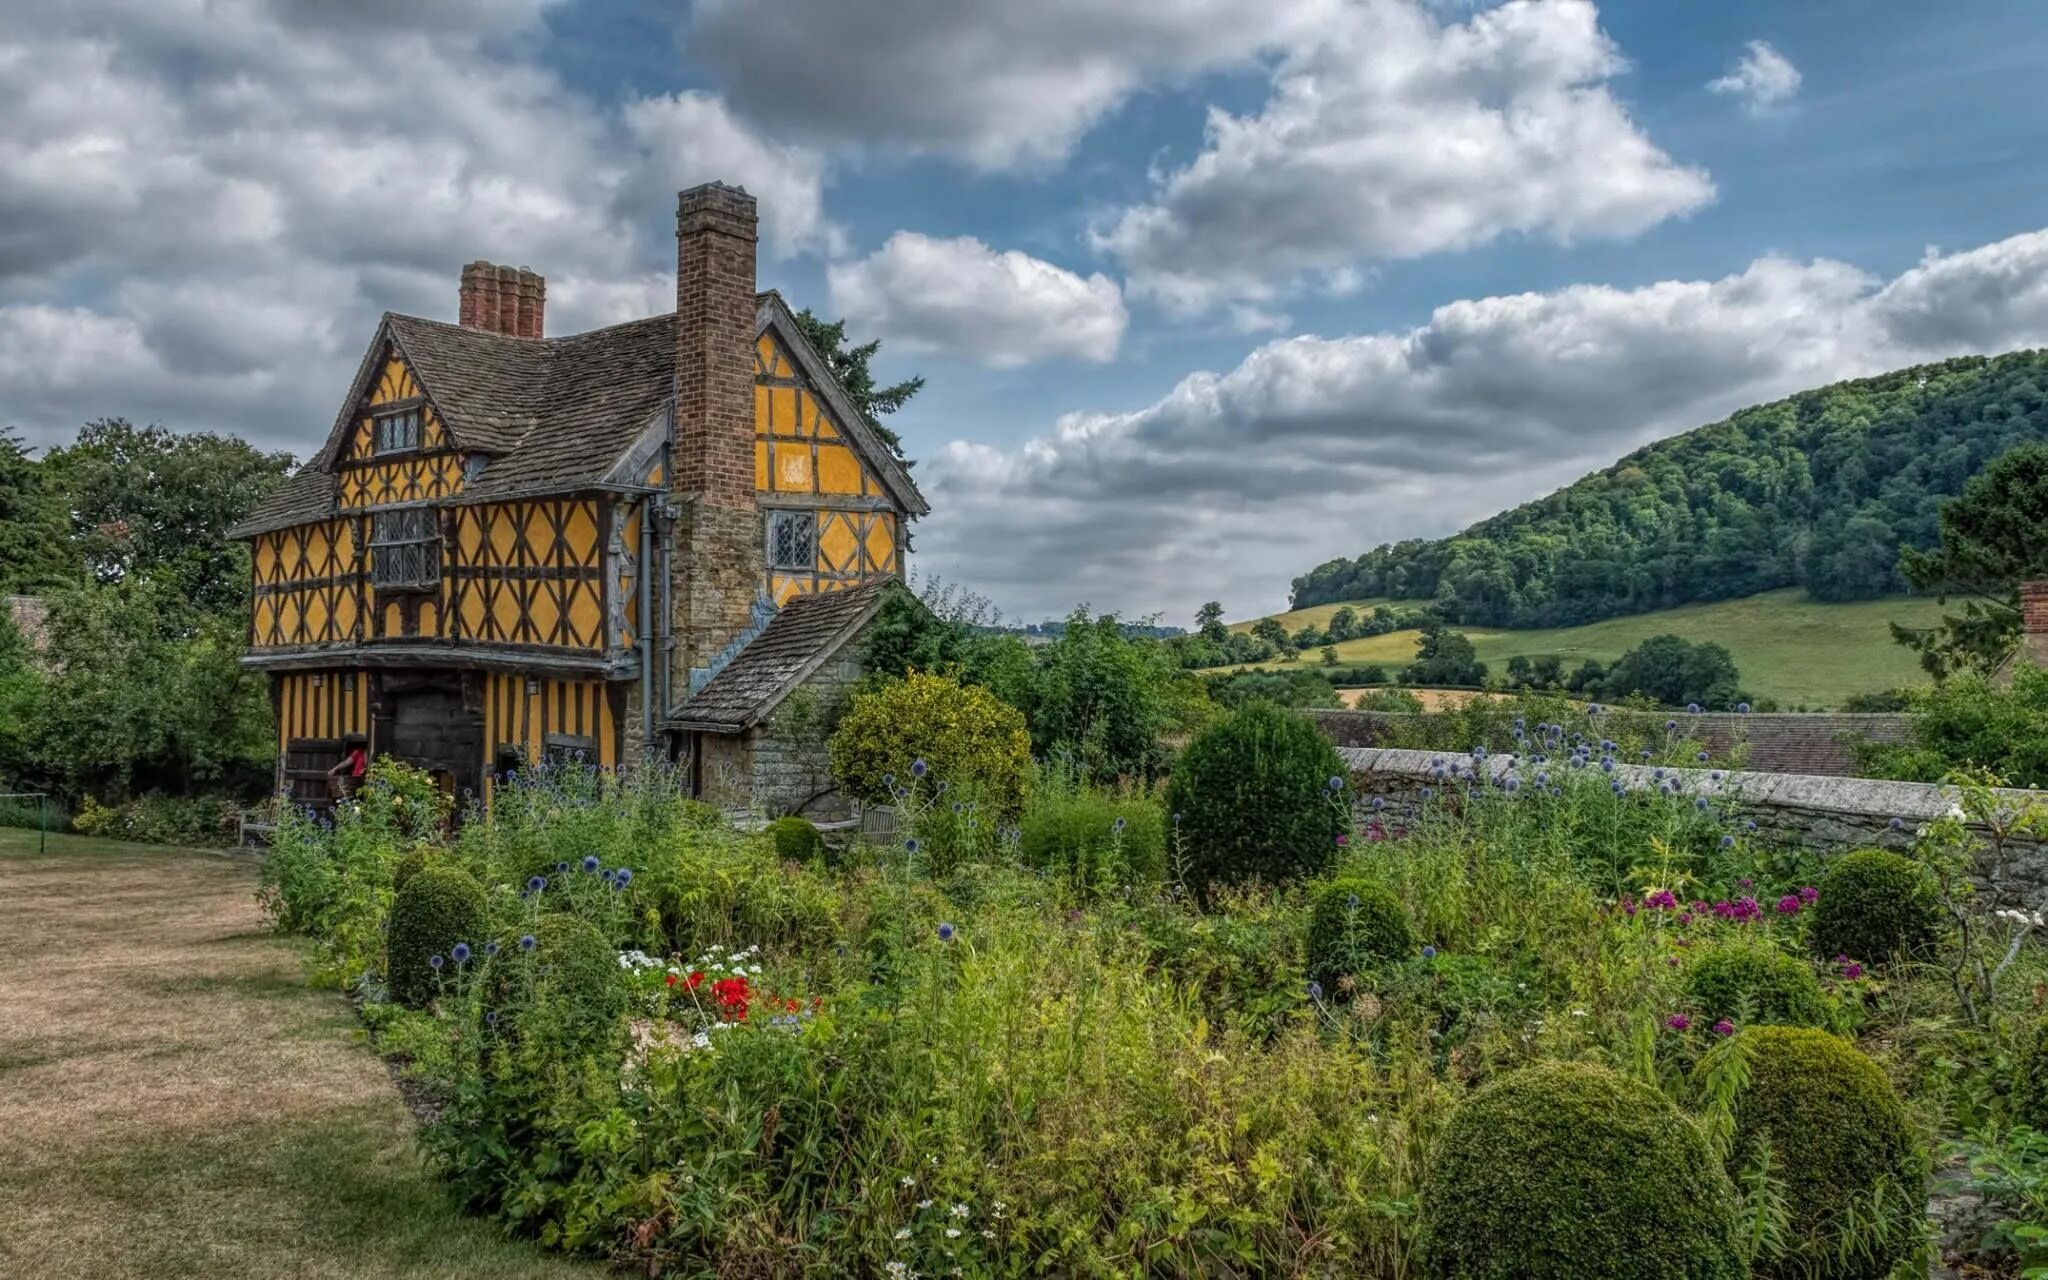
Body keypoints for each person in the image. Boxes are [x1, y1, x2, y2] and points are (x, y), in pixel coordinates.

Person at [327, 735, 369, 803]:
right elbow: (346, 762)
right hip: (354, 781)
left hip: (365, 781)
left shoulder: (371, 754)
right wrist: (334, 769)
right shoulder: (358, 752)